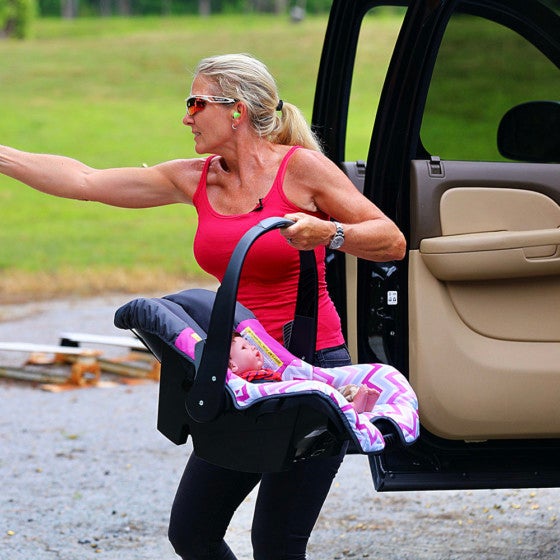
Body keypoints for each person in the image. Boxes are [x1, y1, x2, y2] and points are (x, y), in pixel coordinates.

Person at [0, 53, 405, 560]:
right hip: (238, 375)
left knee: (277, 544)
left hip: (311, 373)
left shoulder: (301, 169)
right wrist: (4, 157)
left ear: (236, 110)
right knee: (192, 532)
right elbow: (84, 181)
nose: (185, 117)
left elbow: (391, 240)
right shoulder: (196, 177)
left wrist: (330, 232)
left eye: (196, 103)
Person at [229, 332, 381, 412]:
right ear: (233, 365)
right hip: (293, 406)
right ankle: (353, 408)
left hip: (294, 399)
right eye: (244, 348)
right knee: (321, 399)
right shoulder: (246, 384)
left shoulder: (265, 373)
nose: (253, 347)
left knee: (339, 390)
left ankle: (361, 401)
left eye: (250, 344)